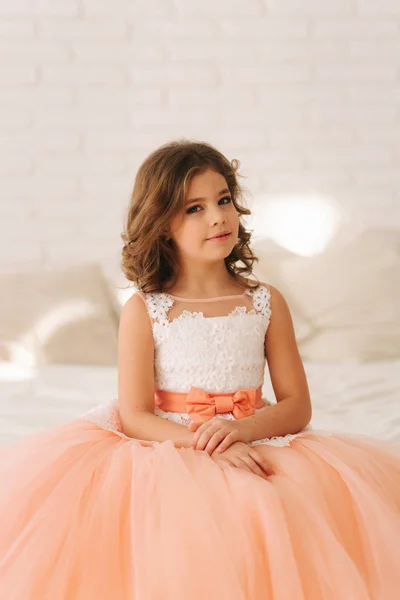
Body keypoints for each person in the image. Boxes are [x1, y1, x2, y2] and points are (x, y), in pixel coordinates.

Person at [0, 139, 399, 600]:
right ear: (162, 223)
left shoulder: (265, 301)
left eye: (224, 199)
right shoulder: (145, 309)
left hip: (251, 433)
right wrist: (206, 443)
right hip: (171, 441)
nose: (217, 216)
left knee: (285, 510)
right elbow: (134, 414)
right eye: (195, 208)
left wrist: (242, 431)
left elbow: (297, 404)